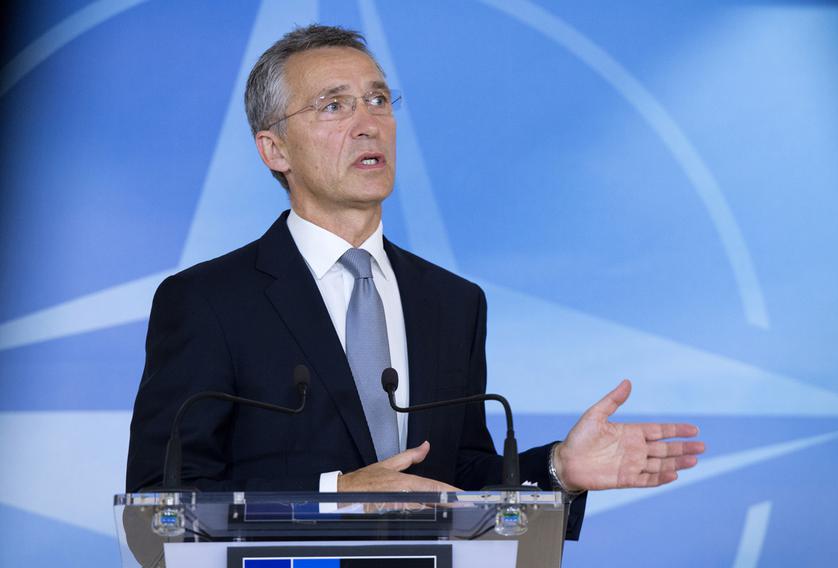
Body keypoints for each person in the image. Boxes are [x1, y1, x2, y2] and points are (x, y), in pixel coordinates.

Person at [126, 24, 704, 540]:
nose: (367, 123)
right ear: (274, 149)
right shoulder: (208, 301)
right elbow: (161, 498)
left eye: (379, 100)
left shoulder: (451, 302)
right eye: (334, 106)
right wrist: (332, 496)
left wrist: (557, 470)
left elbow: (459, 477)